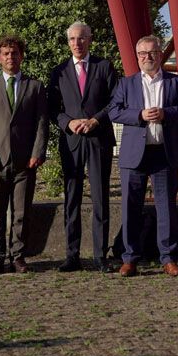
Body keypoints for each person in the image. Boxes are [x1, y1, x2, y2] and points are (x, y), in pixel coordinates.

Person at [106, 34, 178, 276]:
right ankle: (130, 258)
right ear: (137, 57)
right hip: (134, 154)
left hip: (164, 153)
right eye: (143, 54)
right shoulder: (126, 84)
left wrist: (166, 113)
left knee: (166, 207)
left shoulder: (176, 82)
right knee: (130, 206)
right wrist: (139, 115)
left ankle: (168, 257)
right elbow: (114, 111)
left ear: (160, 55)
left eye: (152, 53)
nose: (148, 57)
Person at [47, 22, 118, 273]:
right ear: (68, 42)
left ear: (90, 40)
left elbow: (115, 101)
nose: (77, 43)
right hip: (72, 141)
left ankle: (100, 255)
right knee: (72, 198)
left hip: (98, 138)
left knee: (100, 197)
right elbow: (53, 108)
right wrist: (69, 122)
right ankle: (72, 254)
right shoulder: (59, 71)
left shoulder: (104, 66)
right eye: (73, 39)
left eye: (82, 38)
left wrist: (96, 119)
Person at [0, 36, 48, 275]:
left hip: (24, 161)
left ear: (21, 56)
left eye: (14, 53)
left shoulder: (35, 87)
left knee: (21, 212)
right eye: (5, 54)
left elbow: (41, 123)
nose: (10, 57)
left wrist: (37, 152)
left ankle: (18, 256)